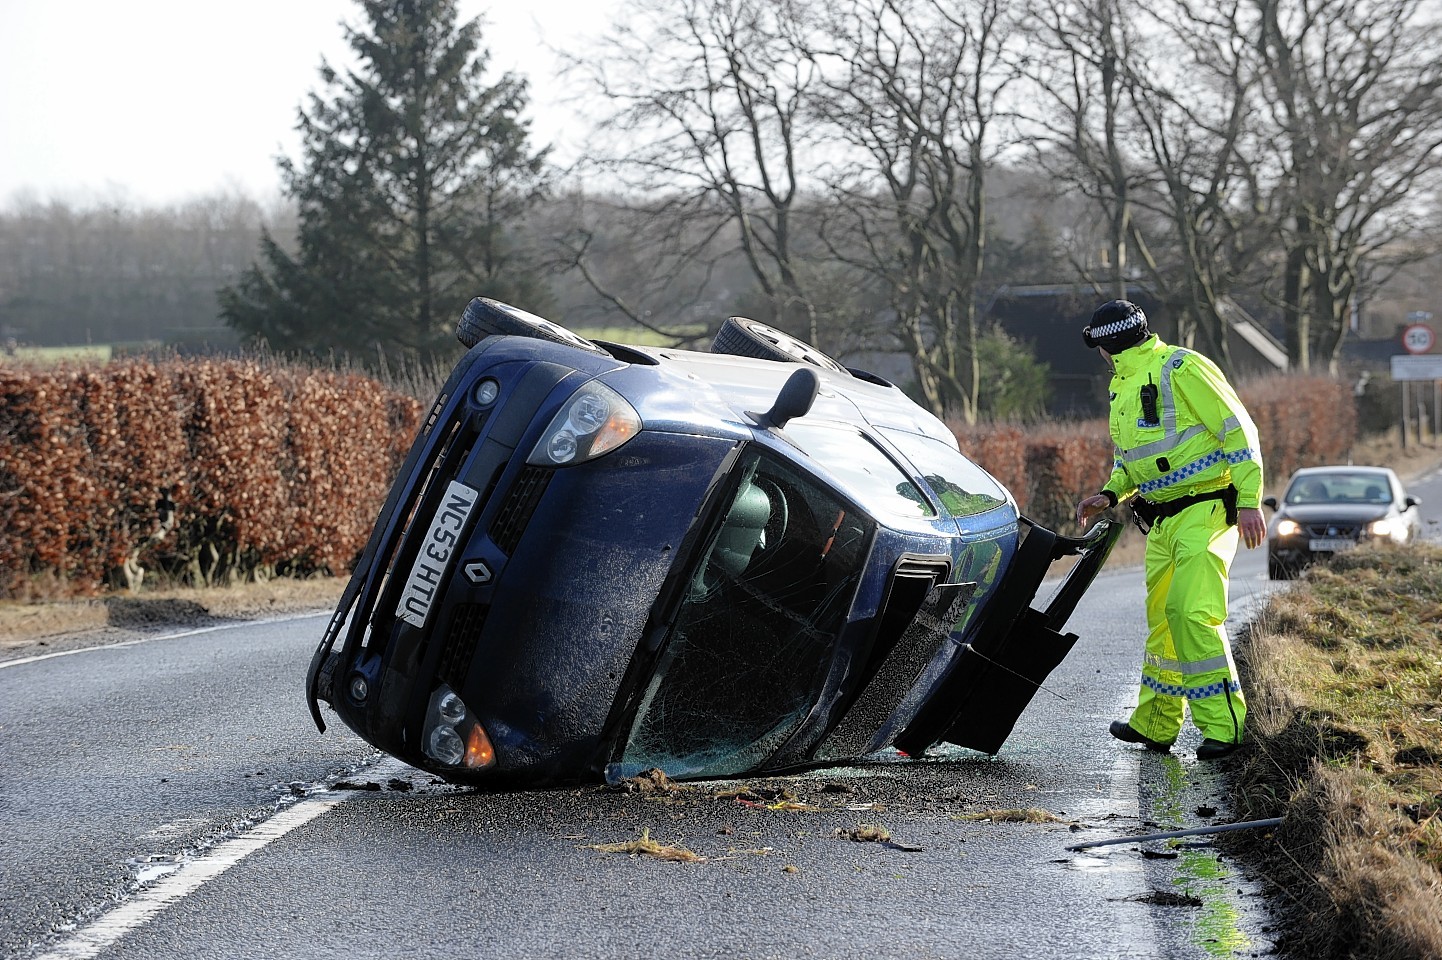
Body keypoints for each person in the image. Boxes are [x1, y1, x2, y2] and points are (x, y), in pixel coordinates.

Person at [1074, 300, 1266, 761]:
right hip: (1161, 521)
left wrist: (1248, 501)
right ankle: (1156, 724)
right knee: (1163, 622)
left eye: (1098, 344)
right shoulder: (1124, 385)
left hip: (1205, 511)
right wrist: (1110, 493)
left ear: (1107, 344)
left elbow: (1238, 431)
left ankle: (1226, 727)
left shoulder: (1182, 367)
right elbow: (1132, 458)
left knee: (1190, 614)